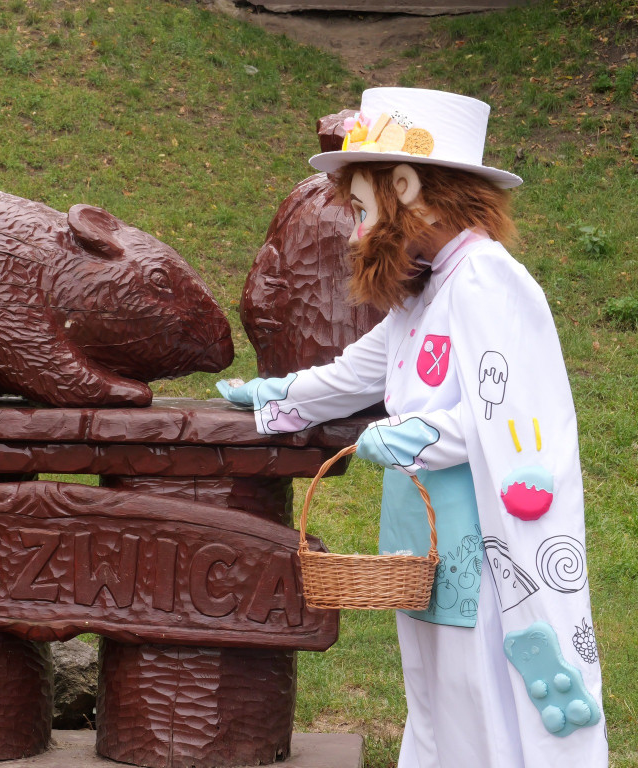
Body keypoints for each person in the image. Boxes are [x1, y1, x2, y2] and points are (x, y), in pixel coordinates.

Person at [218, 88, 608, 768]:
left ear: (409, 190)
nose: (355, 231)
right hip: (424, 526)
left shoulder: (484, 279)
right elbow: (356, 373)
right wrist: (275, 397)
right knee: (430, 685)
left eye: (364, 210)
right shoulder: (424, 291)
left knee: (473, 681)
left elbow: (512, 417)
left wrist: (415, 435)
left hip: (476, 538)